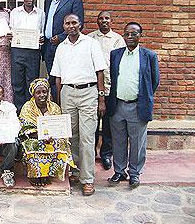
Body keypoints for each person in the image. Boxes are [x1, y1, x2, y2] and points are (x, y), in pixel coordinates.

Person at [51, 14, 107, 196]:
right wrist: (58, 101)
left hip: (88, 92)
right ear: (64, 26)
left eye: (74, 22)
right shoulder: (61, 47)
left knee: (87, 137)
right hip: (68, 92)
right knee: (72, 136)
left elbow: (100, 72)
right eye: (67, 23)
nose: (71, 26)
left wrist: (101, 98)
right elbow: (58, 77)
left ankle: (88, 179)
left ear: (80, 25)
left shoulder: (91, 44)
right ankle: (75, 171)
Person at [108, 22, 159, 189]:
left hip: (137, 106)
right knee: (118, 141)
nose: (130, 37)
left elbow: (154, 81)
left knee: (137, 143)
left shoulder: (149, 56)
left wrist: (144, 98)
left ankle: (135, 173)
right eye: (127, 34)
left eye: (134, 34)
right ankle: (119, 171)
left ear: (140, 36)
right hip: (117, 105)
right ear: (123, 36)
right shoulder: (115, 54)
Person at [19, 78, 75, 187]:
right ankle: (36, 175)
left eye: (44, 92)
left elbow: (60, 127)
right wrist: (41, 136)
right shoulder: (27, 108)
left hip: (52, 137)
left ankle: (47, 174)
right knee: (33, 144)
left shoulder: (54, 107)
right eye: (38, 92)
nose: (42, 95)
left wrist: (53, 136)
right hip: (33, 137)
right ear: (33, 94)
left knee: (60, 143)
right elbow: (25, 129)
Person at [88, 11, 125, 170]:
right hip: (92, 87)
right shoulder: (90, 38)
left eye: (107, 18)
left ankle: (106, 154)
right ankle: (91, 152)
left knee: (109, 123)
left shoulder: (117, 39)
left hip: (111, 87)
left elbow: (122, 62)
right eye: (101, 18)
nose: (104, 21)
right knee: (92, 123)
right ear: (97, 21)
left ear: (111, 21)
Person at [43, 0, 84, 99]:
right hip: (48, 46)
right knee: (52, 77)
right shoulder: (48, 1)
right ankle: (55, 106)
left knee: (63, 77)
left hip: (65, 45)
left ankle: (64, 104)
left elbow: (79, 23)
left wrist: (61, 37)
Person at [10, 0, 45, 112]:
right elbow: (11, 29)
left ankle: (30, 111)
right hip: (17, 50)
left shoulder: (40, 13)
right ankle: (19, 111)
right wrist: (10, 35)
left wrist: (41, 38)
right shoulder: (15, 12)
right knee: (17, 82)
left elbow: (42, 30)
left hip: (33, 51)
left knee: (31, 82)